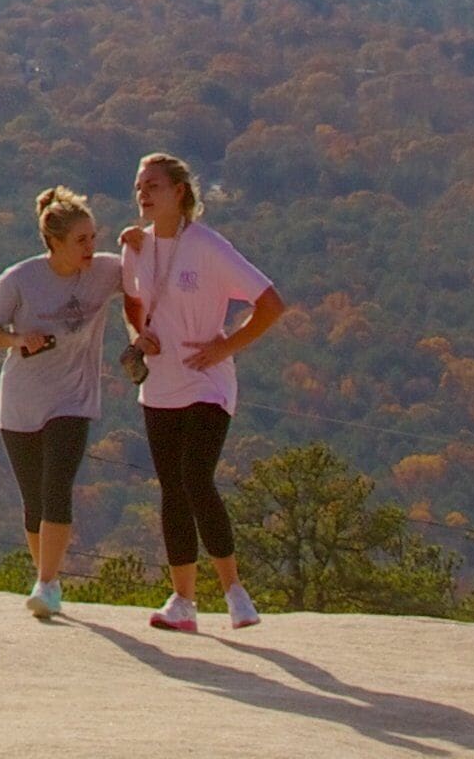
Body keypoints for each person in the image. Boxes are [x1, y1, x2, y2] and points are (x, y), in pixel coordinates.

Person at [120, 151, 286, 634]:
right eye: (139, 186)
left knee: (196, 477)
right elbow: (133, 302)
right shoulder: (135, 246)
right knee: (173, 490)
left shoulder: (209, 247)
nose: (143, 194)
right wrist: (139, 336)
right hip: (160, 383)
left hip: (208, 382)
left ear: (180, 193)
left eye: (153, 185)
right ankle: (183, 601)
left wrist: (225, 346)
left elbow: (271, 303)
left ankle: (235, 591)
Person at [0, 186, 123, 621]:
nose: (91, 248)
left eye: (94, 237)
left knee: (57, 487)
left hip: (73, 400)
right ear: (54, 241)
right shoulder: (20, 278)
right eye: (81, 240)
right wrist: (19, 341)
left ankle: (47, 583)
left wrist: (136, 239)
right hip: (21, 403)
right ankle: (46, 577)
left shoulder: (105, 271)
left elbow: (145, 268)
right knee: (34, 500)